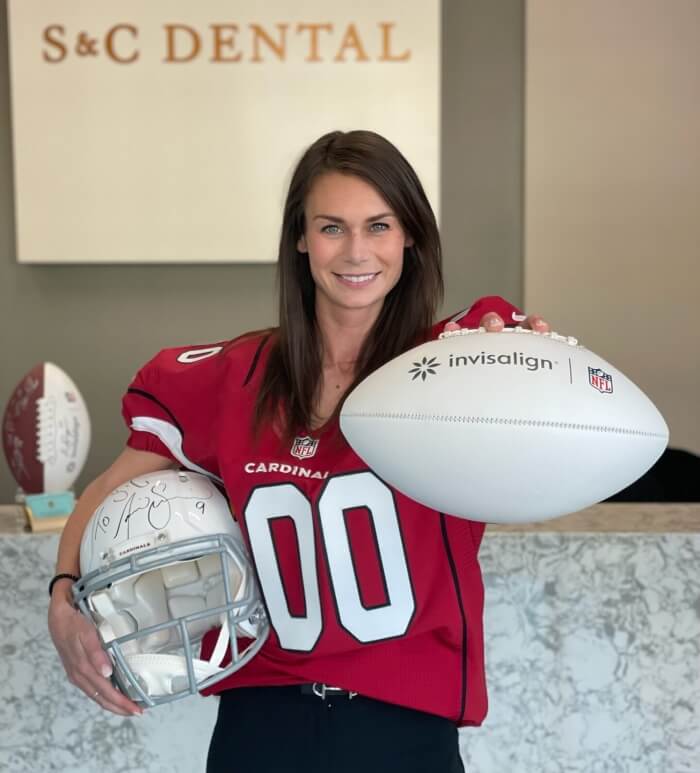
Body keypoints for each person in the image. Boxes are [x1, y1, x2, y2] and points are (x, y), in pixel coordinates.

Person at [48, 130, 551, 772]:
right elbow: (106, 492)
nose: (357, 250)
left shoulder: (449, 365)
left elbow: (503, 346)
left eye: (379, 225)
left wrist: (521, 358)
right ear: (300, 238)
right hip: (263, 725)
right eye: (332, 227)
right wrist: (64, 598)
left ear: (409, 238)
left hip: (403, 726)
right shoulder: (229, 377)